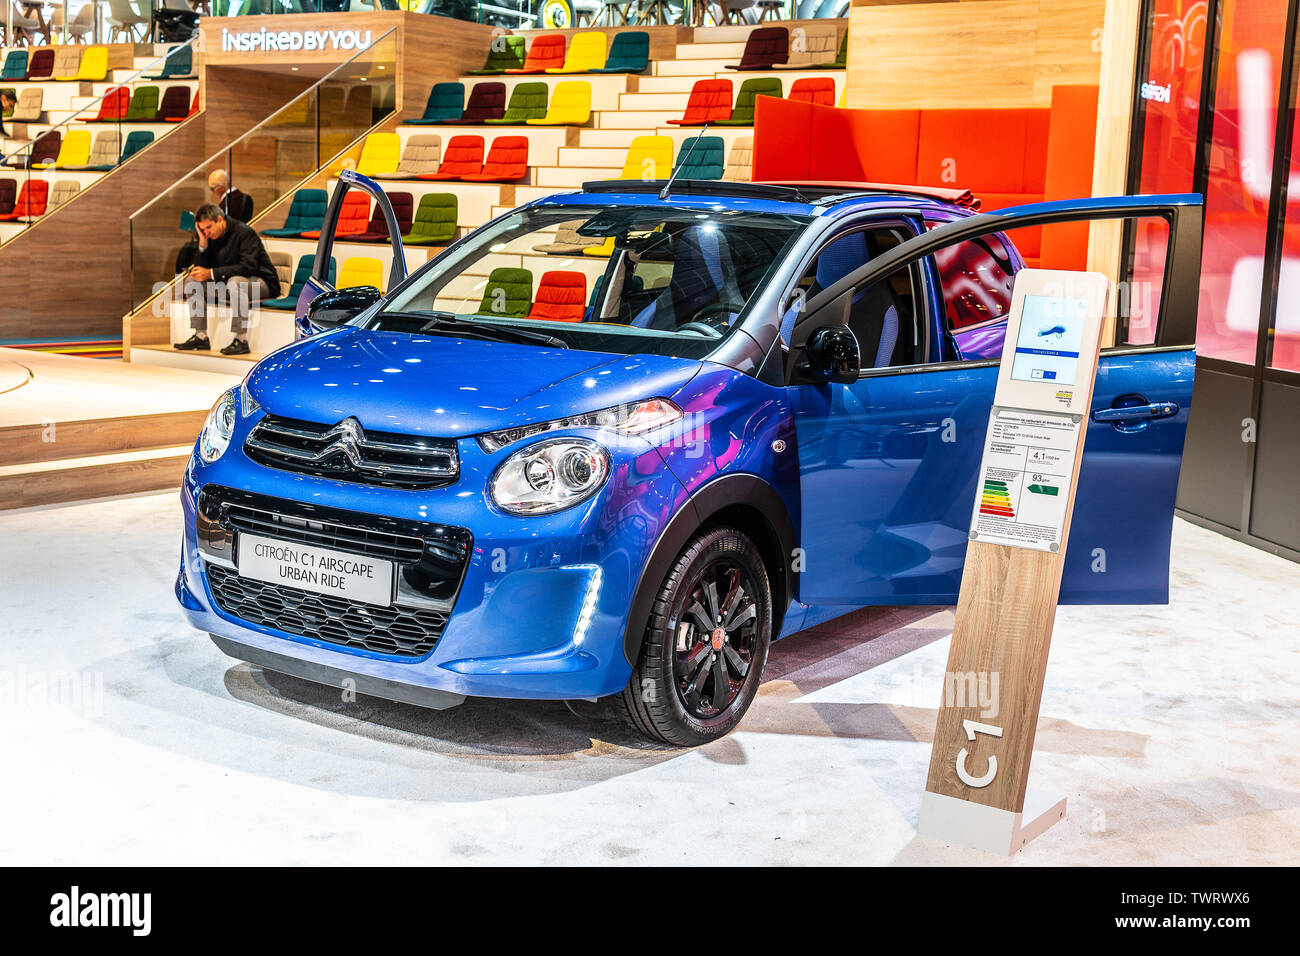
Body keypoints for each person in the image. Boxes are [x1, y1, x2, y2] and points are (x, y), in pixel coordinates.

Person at [174, 204, 280, 356]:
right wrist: (202, 244)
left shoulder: (244, 232)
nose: (206, 232)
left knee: (236, 282)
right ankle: (201, 336)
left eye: (208, 227)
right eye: (202, 230)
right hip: (229, 284)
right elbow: (203, 268)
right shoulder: (210, 237)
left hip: (262, 283)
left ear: (220, 219)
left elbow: (247, 267)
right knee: (192, 282)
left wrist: (210, 273)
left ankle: (241, 339)